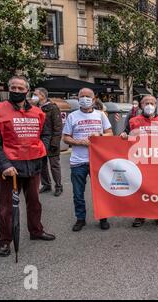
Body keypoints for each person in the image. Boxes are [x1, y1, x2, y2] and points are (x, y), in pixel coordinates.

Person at [0, 76, 56, 257]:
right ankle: (5, 241)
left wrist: (42, 151)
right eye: (13, 88)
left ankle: (36, 231)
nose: (16, 91)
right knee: (7, 208)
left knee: (35, 203)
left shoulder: (38, 112)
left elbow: (46, 134)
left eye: (20, 88)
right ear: (9, 89)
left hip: (33, 166)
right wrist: (4, 164)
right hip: (11, 169)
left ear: (27, 90)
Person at [63, 88, 113, 232]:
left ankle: (103, 218)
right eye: (81, 96)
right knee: (78, 194)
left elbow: (110, 133)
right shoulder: (72, 116)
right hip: (78, 161)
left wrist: (99, 136)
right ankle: (80, 219)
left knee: (101, 192)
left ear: (94, 99)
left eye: (88, 96)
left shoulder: (101, 115)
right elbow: (66, 137)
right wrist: (80, 142)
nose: (84, 98)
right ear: (78, 98)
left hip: (98, 161)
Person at [121, 95, 158, 228]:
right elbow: (125, 134)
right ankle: (140, 215)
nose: (149, 106)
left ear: (156, 105)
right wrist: (123, 136)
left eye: (152, 103)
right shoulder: (133, 121)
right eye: (146, 103)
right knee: (140, 189)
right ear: (141, 106)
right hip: (139, 162)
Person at [33, 88, 63, 197]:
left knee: (54, 165)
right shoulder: (35, 108)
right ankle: (46, 184)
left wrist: (55, 143)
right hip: (39, 141)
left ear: (42, 96)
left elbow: (58, 127)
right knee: (42, 164)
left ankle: (58, 186)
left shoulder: (53, 108)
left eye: (35, 94)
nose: (33, 96)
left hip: (51, 140)